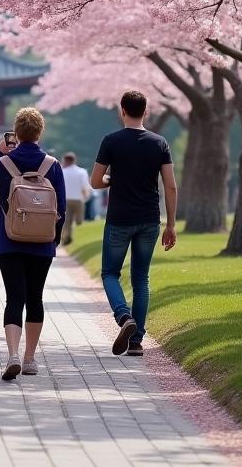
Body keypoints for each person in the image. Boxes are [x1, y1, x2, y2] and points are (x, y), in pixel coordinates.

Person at [0, 107, 66, 381]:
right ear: (40, 132)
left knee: (14, 297)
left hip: (10, 240)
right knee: (35, 297)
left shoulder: (5, 162)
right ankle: (30, 358)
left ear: (16, 133)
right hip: (42, 242)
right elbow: (60, 206)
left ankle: (13, 354)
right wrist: (54, 238)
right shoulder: (52, 165)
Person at [91, 89, 177, 358]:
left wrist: (111, 180)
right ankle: (137, 340)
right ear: (146, 111)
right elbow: (170, 186)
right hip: (149, 219)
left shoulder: (111, 141)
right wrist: (171, 224)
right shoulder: (159, 143)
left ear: (122, 110)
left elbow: (95, 181)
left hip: (119, 218)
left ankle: (123, 315)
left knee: (110, 273)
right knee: (141, 278)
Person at [60, 152, 91, 246]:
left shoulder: (62, 171)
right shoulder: (82, 171)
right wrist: (86, 196)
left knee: (67, 221)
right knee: (79, 220)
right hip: (78, 199)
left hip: (66, 199)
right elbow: (85, 186)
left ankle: (67, 236)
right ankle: (68, 237)